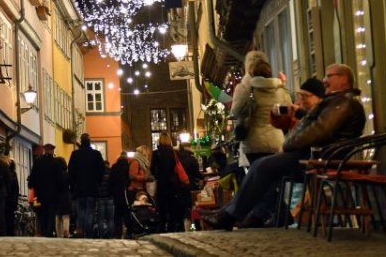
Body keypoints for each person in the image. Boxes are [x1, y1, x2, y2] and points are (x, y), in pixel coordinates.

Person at [204, 63, 366, 230]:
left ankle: (232, 216)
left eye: (329, 76)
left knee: (263, 166)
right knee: (262, 166)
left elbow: (319, 130)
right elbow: (317, 125)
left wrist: (288, 145)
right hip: (316, 156)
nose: (324, 80)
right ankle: (244, 215)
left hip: (321, 158)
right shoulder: (336, 101)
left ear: (343, 79)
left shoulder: (343, 102)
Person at [230, 51, 292, 165]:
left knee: (258, 177)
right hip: (276, 140)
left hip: (253, 143)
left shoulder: (246, 89)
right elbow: (288, 111)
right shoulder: (280, 89)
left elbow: (235, 112)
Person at [67, 133, 105, 236]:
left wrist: (73, 185)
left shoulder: (75, 154)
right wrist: (98, 183)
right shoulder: (96, 154)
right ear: (89, 142)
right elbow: (101, 171)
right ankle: (88, 232)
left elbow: (70, 171)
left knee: (81, 212)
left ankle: (81, 231)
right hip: (92, 189)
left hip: (79, 189)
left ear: (81, 142)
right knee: (90, 212)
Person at [150, 132, 186, 231]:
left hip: (162, 184)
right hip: (173, 184)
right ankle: (172, 227)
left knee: (162, 207)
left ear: (160, 140)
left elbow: (152, 168)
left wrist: (158, 176)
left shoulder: (156, 153)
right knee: (172, 207)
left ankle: (162, 227)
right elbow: (178, 167)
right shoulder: (174, 153)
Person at [28, 142, 61, 236]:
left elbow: (33, 176)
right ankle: (49, 231)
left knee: (41, 213)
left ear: (45, 150)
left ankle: (43, 230)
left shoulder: (38, 162)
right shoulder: (56, 163)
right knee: (51, 213)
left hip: (40, 194)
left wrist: (31, 186)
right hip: (52, 195)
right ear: (52, 151)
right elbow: (59, 179)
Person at [108, 150, 132, 238]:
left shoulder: (114, 166)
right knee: (126, 212)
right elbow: (129, 180)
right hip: (125, 193)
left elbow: (111, 180)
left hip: (116, 193)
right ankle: (129, 231)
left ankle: (118, 231)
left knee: (117, 213)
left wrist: (110, 192)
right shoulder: (128, 166)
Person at [3, 152, 20, 235]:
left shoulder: (5, 174)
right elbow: (16, 189)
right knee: (10, 217)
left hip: (5, 198)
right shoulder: (13, 174)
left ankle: (5, 232)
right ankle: (10, 232)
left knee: (5, 216)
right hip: (12, 199)